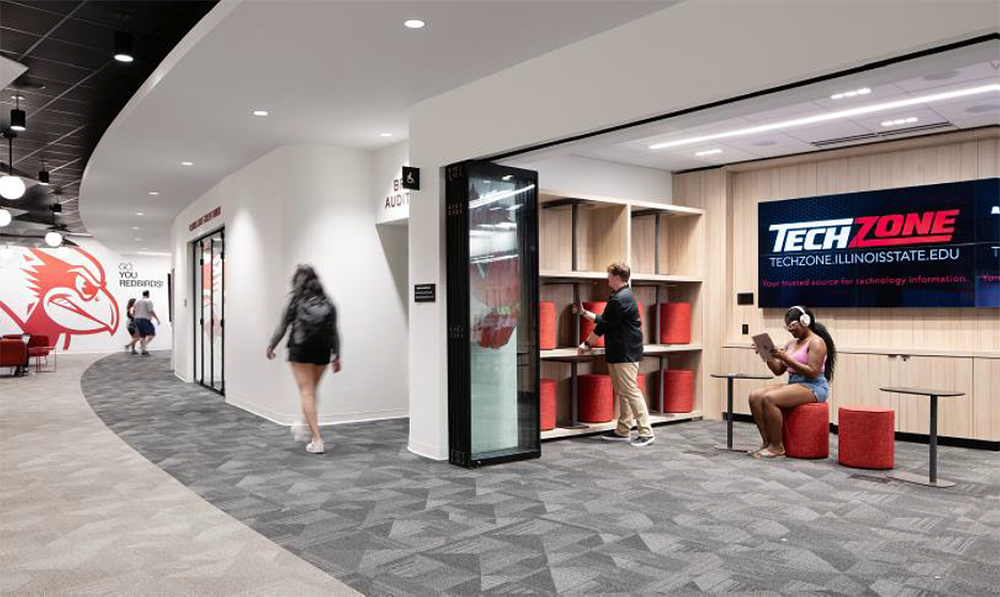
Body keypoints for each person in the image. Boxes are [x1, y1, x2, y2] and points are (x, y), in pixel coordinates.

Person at [575, 262, 654, 447]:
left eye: (609, 275)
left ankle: (646, 431)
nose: (607, 278)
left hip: (626, 352)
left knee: (631, 391)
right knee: (623, 392)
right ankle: (623, 430)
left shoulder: (621, 298)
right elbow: (606, 320)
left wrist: (586, 343)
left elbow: (602, 327)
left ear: (617, 277)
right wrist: (584, 313)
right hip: (620, 351)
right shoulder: (619, 296)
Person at [266, 264, 341, 455]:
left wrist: (271, 346)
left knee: (307, 393)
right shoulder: (328, 303)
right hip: (323, 351)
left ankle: (317, 439)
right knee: (311, 392)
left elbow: (282, 327)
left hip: (301, 350)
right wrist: (337, 355)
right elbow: (334, 331)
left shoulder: (295, 301)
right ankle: (303, 424)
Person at [747, 306, 837, 459]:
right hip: (794, 383)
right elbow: (778, 370)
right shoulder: (791, 343)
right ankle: (767, 443)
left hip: (813, 386)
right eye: (788, 327)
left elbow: (813, 372)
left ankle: (777, 446)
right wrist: (767, 354)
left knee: (770, 398)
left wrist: (784, 357)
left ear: (805, 321)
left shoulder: (817, 342)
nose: (790, 330)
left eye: (793, 326)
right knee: (755, 396)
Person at [132, 290, 161, 356]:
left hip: (137, 319)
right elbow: (151, 311)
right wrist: (157, 319)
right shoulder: (148, 301)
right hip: (144, 320)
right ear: (148, 294)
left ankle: (143, 351)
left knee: (142, 336)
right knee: (152, 334)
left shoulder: (136, 301)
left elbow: (134, 311)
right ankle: (143, 346)